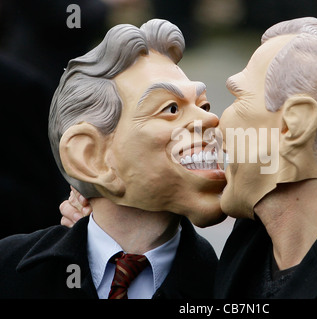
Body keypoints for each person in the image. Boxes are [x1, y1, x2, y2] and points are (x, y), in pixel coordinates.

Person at [61, 17, 317, 298]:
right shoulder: (258, 241)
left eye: (236, 99)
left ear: (292, 126)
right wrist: (110, 234)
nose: (214, 119)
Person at [0, 19, 226, 299]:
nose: (210, 118)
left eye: (203, 105)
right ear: (90, 156)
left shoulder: (233, 289)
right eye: (171, 109)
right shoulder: (9, 271)